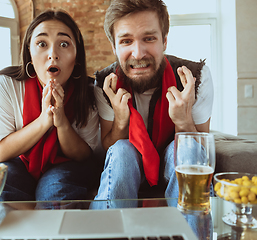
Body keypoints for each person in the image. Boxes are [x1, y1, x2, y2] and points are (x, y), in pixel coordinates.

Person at [0, 9, 99, 240]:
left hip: (67, 163)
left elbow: (83, 155)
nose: (52, 54)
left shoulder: (89, 93)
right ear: (29, 53)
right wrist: (44, 121)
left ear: (77, 57)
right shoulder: (6, 85)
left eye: (64, 44)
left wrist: (61, 122)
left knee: (56, 192)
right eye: (42, 44)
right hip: (18, 160)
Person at [91, 0, 214, 207]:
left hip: (172, 164)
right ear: (114, 46)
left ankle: (193, 232)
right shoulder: (105, 84)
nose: (138, 53)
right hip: (131, 165)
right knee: (121, 150)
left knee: (186, 148)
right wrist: (121, 121)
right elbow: (109, 150)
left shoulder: (196, 78)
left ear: (164, 41)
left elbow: (201, 150)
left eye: (149, 38)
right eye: (126, 41)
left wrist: (184, 122)